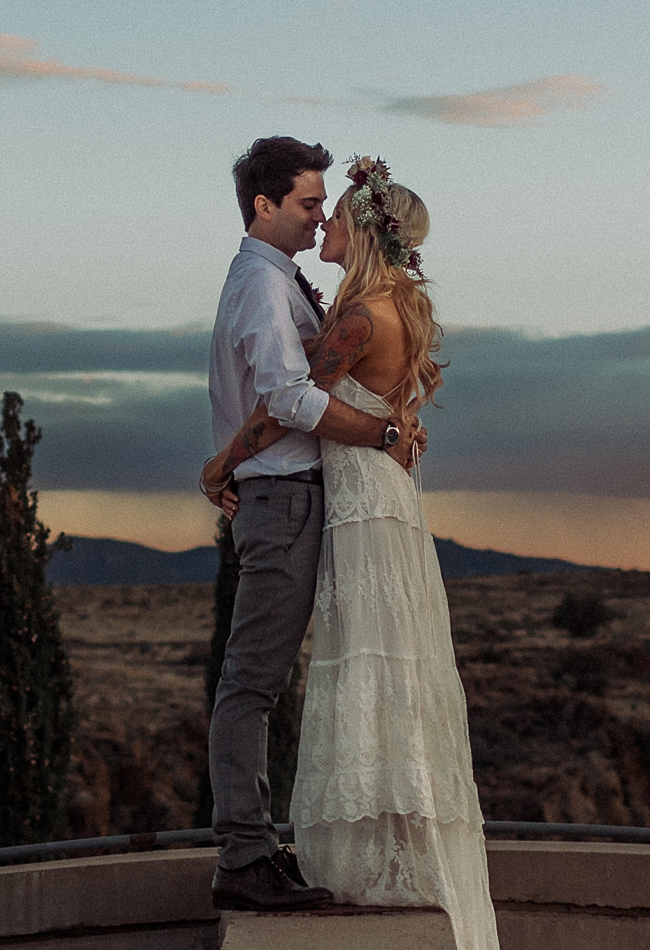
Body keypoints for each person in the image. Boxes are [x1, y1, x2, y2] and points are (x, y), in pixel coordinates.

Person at [203, 156, 497, 950]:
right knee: (355, 667)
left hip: (351, 499)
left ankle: (281, 853)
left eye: (330, 210)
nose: (320, 218)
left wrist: (221, 464)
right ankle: (287, 852)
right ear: (264, 204)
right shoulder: (305, 292)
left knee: (337, 670)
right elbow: (300, 394)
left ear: (365, 229)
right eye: (310, 204)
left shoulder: (347, 308)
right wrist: (388, 427)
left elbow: (291, 400)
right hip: (338, 497)